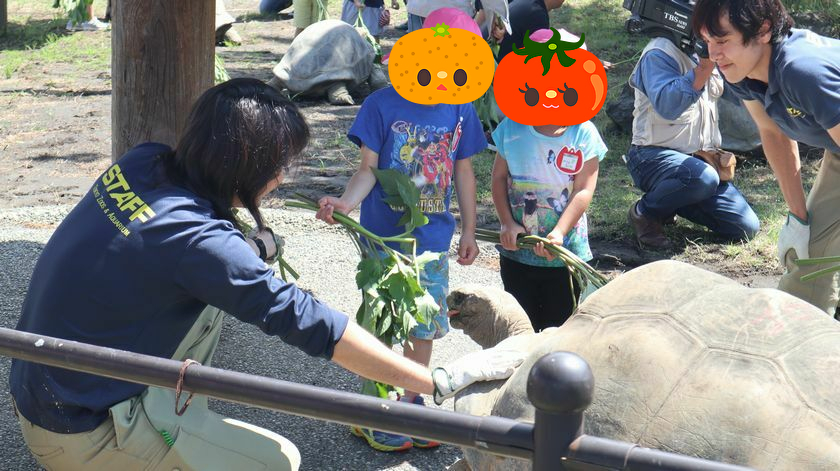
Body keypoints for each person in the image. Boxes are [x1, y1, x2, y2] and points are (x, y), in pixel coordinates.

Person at [8, 78, 521, 470]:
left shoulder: (145, 163)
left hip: (43, 382)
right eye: (283, 166)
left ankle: (173, 420)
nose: (283, 177)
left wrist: (254, 245)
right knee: (279, 460)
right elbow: (314, 324)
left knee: (207, 304)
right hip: (81, 428)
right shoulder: (204, 246)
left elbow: (187, 254)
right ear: (251, 169)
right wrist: (434, 381)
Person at [316, 66, 487, 449]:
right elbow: (368, 171)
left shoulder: (461, 107)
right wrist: (345, 202)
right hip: (383, 240)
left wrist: (469, 231)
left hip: (431, 241)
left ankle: (411, 400)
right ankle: (373, 407)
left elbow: (463, 172)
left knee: (422, 323)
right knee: (381, 321)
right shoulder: (380, 104)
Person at [693, 0, 840, 315]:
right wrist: (799, 218)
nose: (713, 54)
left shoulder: (803, 71)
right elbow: (772, 132)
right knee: (811, 255)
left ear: (762, 30)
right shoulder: (744, 72)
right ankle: (800, 344)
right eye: (707, 42)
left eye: (722, 41)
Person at [491, 74, 608, 331]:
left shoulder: (584, 133)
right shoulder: (512, 128)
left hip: (565, 256)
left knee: (560, 332)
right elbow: (499, 178)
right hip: (517, 254)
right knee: (520, 332)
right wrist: (507, 223)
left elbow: (583, 190)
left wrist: (560, 231)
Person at [624, 32, 760, 249]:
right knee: (702, 178)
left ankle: (670, 203)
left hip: (701, 163)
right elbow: (668, 106)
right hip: (651, 157)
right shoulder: (659, 53)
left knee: (745, 227)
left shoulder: (706, 51)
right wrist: (703, 69)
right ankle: (644, 212)